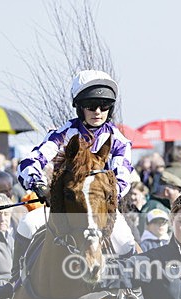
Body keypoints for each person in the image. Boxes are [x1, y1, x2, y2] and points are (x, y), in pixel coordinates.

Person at [17, 69, 136, 257]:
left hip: (101, 208)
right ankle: (15, 280)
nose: (97, 111)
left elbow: (122, 180)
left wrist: (102, 198)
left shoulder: (119, 141)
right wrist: (37, 184)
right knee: (26, 224)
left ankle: (132, 286)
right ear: (79, 107)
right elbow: (29, 162)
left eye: (104, 105)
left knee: (125, 243)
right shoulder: (63, 134)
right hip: (64, 208)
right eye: (90, 105)